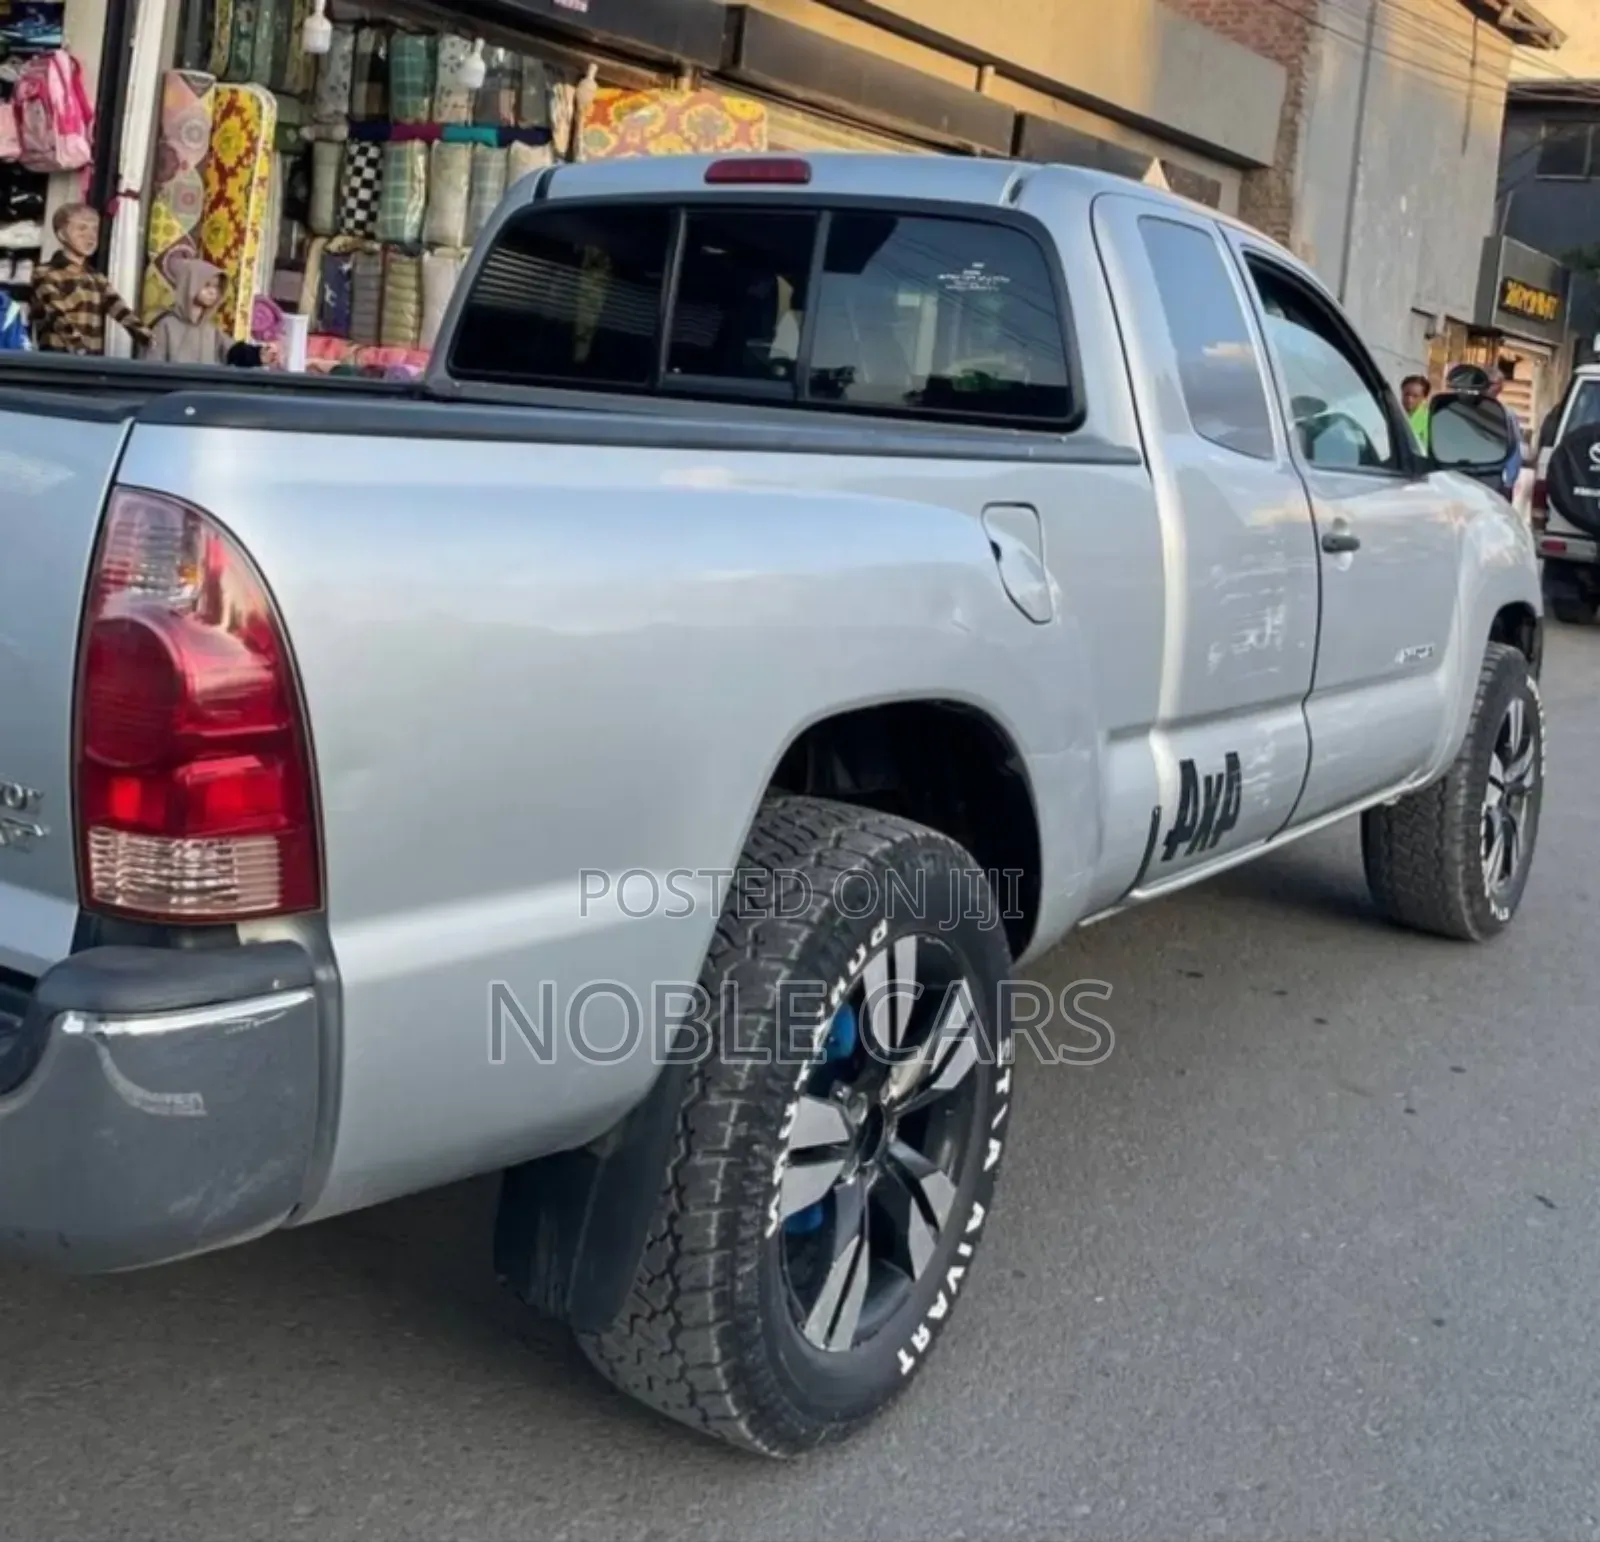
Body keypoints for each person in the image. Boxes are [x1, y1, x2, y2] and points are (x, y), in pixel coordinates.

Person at [29, 202, 151, 356]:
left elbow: (119, 308)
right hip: (58, 360)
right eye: (82, 228)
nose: (91, 237)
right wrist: (76, 345)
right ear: (61, 234)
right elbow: (55, 312)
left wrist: (145, 335)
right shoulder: (45, 273)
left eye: (95, 229)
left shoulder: (96, 278)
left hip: (91, 361)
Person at [145, 257, 270, 368]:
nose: (212, 292)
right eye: (207, 285)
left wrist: (258, 354)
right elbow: (152, 367)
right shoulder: (166, 326)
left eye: (217, 287)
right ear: (190, 284)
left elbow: (233, 352)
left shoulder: (210, 330)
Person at [1401, 373, 1431, 450]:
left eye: (1415, 396)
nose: (1409, 400)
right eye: (1406, 394)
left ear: (1424, 398)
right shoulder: (1397, 413)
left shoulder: (1427, 421)